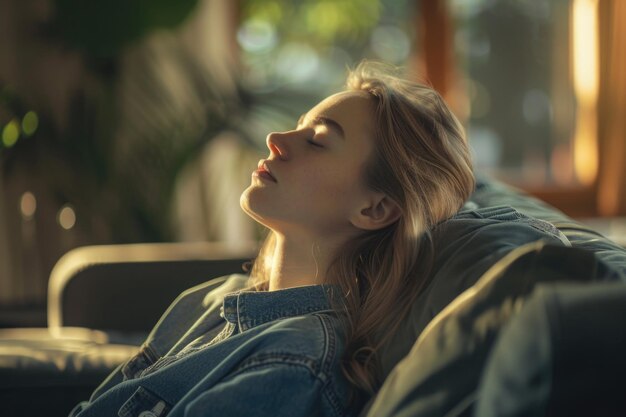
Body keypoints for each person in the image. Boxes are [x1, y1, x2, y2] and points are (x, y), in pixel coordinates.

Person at [69, 61, 475, 417]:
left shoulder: (296, 367)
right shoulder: (213, 299)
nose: (275, 139)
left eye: (317, 141)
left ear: (375, 209)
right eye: (299, 126)